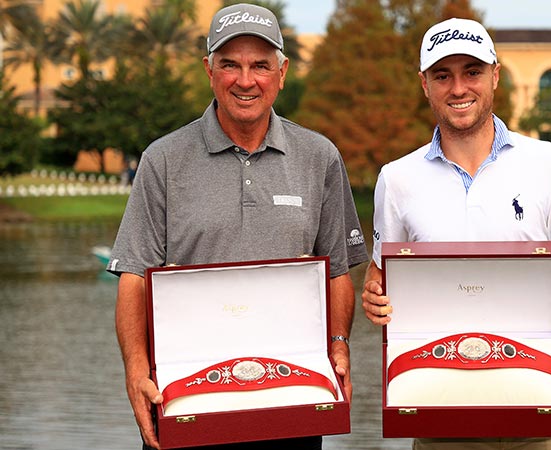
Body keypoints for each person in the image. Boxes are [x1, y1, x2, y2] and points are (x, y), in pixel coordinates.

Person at [107, 4, 368, 450]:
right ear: (209, 70)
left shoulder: (319, 156)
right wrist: (136, 369)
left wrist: (339, 343)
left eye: (260, 65)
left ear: (281, 73)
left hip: (292, 397)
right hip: (185, 397)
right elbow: (134, 276)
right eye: (230, 64)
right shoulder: (163, 160)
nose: (245, 80)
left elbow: (338, 272)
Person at [361, 18, 551, 450]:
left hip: (542, 417)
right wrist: (375, 297)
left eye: (471, 72)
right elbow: (380, 281)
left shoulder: (549, 163)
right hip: (440, 423)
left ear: (495, 75)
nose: (458, 88)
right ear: (425, 85)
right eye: (443, 75)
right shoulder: (396, 179)